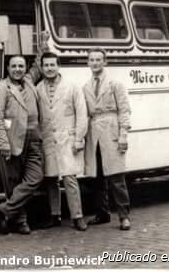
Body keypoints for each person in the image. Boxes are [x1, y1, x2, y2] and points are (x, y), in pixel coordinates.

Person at [0, 55, 44, 234]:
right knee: (13, 183)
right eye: (14, 66)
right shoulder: (1, 88)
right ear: (8, 69)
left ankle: (4, 209)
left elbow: (38, 66)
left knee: (36, 177)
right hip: (12, 140)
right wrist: (3, 144)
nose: (18, 69)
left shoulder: (28, 81)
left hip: (34, 138)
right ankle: (21, 222)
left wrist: (43, 46)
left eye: (21, 66)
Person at [35, 52, 88, 231]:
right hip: (48, 138)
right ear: (41, 67)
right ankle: (55, 215)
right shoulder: (38, 88)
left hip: (67, 137)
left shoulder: (71, 86)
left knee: (69, 177)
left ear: (58, 66)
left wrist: (79, 138)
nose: (49, 68)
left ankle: (77, 216)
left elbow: (81, 113)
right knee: (51, 179)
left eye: (52, 65)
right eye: (46, 65)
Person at [82, 48, 132, 231]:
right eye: (91, 59)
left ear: (105, 62)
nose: (95, 63)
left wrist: (123, 135)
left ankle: (124, 216)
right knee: (97, 178)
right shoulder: (85, 87)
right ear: (88, 63)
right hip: (94, 134)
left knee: (116, 177)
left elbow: (124, 110)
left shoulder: (115, 84)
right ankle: (102, 213)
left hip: (111, 130)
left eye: (98, 59)